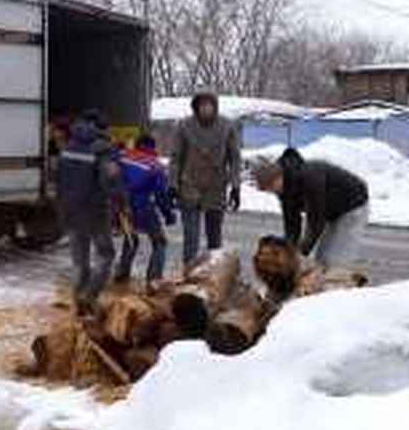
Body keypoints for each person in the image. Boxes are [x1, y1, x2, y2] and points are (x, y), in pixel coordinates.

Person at [251, 148, 370, 269]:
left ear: (278, 176)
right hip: (332, 211)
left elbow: (316, 222)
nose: (272, 191)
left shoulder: (309, 177)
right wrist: (289, 250)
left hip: (353, 206)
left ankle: (343, 284)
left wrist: (300, 253)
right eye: (267, 190)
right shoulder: (284, 189)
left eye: (270, 186)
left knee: (334, 261)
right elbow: (292, 223)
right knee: (321, 258)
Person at [57, 109, 125, 315]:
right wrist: (120, 203)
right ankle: (90, 296)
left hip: (69, 209)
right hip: (94, 210)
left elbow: (58, 177)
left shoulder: (69, 145)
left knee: (80, 262)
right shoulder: (103, 149)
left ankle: (78, 304)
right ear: (101, 127)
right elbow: (110, 180)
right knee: (106, 254)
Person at [169, 90, 241, 267]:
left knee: (214, 239)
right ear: (196, 107)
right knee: (191, 238)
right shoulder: (184, 126)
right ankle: (189, 275)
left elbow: (235, 158)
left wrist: (236, 186)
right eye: (202, 105)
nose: (206, 109)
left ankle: (214, 277)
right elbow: (176, 157)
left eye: (210, 105)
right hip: (189, 185)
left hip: (216, 187)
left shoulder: (227, 126)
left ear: (215, 107)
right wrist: (172, 184)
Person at [114, 134, 177, 289]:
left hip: (122, 205)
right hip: (143, 206)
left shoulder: (123, 157)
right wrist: (169, 215)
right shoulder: (155, 165)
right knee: (160, 242)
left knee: (131, 237)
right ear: (153, 147)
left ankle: (122, 272)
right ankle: (153, 279)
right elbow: (161, 195)